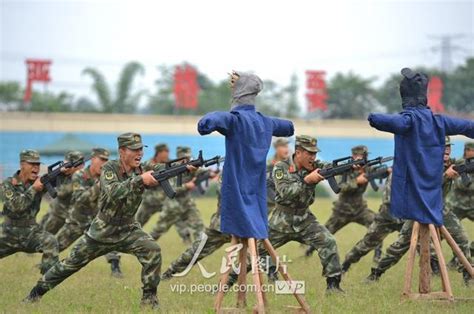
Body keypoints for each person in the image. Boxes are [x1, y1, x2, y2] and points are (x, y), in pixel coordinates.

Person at [24, 133, 166, 308]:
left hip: (128, 229)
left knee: (153, 250)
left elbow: (161, 168)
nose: (139, 153)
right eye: (134, 149)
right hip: (102, 230)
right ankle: (35, 293)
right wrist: (139, 180)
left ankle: (149, 300)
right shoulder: (109, 169)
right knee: (71, 264)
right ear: (122, 151)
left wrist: (185, 166)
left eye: (141, 149)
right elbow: (114, 192)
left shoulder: (142, 168)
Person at [197, 70, 294, 240]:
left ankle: (248, 266)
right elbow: (288, 127)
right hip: (256, 187)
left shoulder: (236, 120)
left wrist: (208, 122)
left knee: (238, 232)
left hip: (236, 186)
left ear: (238, 92)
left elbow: (206, 124)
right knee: (256, 229)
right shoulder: (265, 121)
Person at [365, 138, 472, 285]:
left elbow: (466, 164)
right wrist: (446, 176)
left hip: (441, 209)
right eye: (443, 146)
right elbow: (423, 188)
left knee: (462, 241)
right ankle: (375, 273)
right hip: (420, 209)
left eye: (448, 147)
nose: (447, 149)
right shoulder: (423, 164)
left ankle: (468, 277)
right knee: (400, 245)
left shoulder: (452, 163)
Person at [54, 148, 123, 277]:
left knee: (110, 241)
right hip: (78, 219)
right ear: (93, 159)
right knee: (56, 245)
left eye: (106, 160)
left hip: (96, 220)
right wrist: (98, 186)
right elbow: (81, 199)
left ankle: (115, 269)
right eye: (101, 159)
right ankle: (46, 267)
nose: (104, 163)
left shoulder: (108, 177)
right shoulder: (80, 175)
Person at [306, 145, 382, 261]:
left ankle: (377, 256)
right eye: (356, 156)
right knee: (325, 234)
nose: (358, 159)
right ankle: (309, 251)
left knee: (377, 227)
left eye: (361, 156)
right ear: (352, 157)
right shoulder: (345, 169)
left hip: (360, 210)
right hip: (342, 211)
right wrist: (356, 181)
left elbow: (380, 172)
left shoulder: (368, 169)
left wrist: (386, 171)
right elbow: (340, 187)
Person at [0, 150, 59, 275]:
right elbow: (16, 206)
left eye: (37, 165)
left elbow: (57, 182)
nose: (36, 168)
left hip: (31, 232)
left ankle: (46, 282)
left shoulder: (40, 182)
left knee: (51, 242)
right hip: (8, 232)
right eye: (32, 164)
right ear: (22, 165)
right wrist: (33, 189)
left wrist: (65, 173)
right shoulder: (7, 184)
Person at [137, 143, 191, 243]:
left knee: (174, 210)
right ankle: (130, 237)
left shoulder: (169, 164)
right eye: (164, 152)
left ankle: (185, 236)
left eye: (168, 152)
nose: (167, 154)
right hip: (149, 200)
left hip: (164, 198)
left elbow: (176, 178)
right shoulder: (148, 164)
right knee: (138, 221)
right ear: (158, 153)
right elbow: (139, 180)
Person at [149, 146, 205, 242]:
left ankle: (198, 250)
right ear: (179, 157)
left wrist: (206, 173)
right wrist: (187, 186)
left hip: (187, 204)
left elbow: (202, 172)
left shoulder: (191, 168)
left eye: (188, 158)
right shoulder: (171, 169)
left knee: (199, 227)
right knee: (157, 231)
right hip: (172, 207)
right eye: (184, 158)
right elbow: (173, 188)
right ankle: (144, 245)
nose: (186, 160)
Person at [40, 151, 85, 234]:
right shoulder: (63, 175)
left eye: (82, 164)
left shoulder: (79, 177)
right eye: (80, 165)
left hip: (66, 217)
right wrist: (62, 174)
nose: (82, 167)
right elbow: (60, 192)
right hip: (55, 213)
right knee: (41, 236)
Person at [266, 138, 290, 215]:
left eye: (287, 146)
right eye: (283, 146)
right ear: (276, 148)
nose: (286, 149)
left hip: (287, 204)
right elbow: (266, 184)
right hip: (269, 202)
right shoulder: (269, 164)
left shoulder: (292, 164)